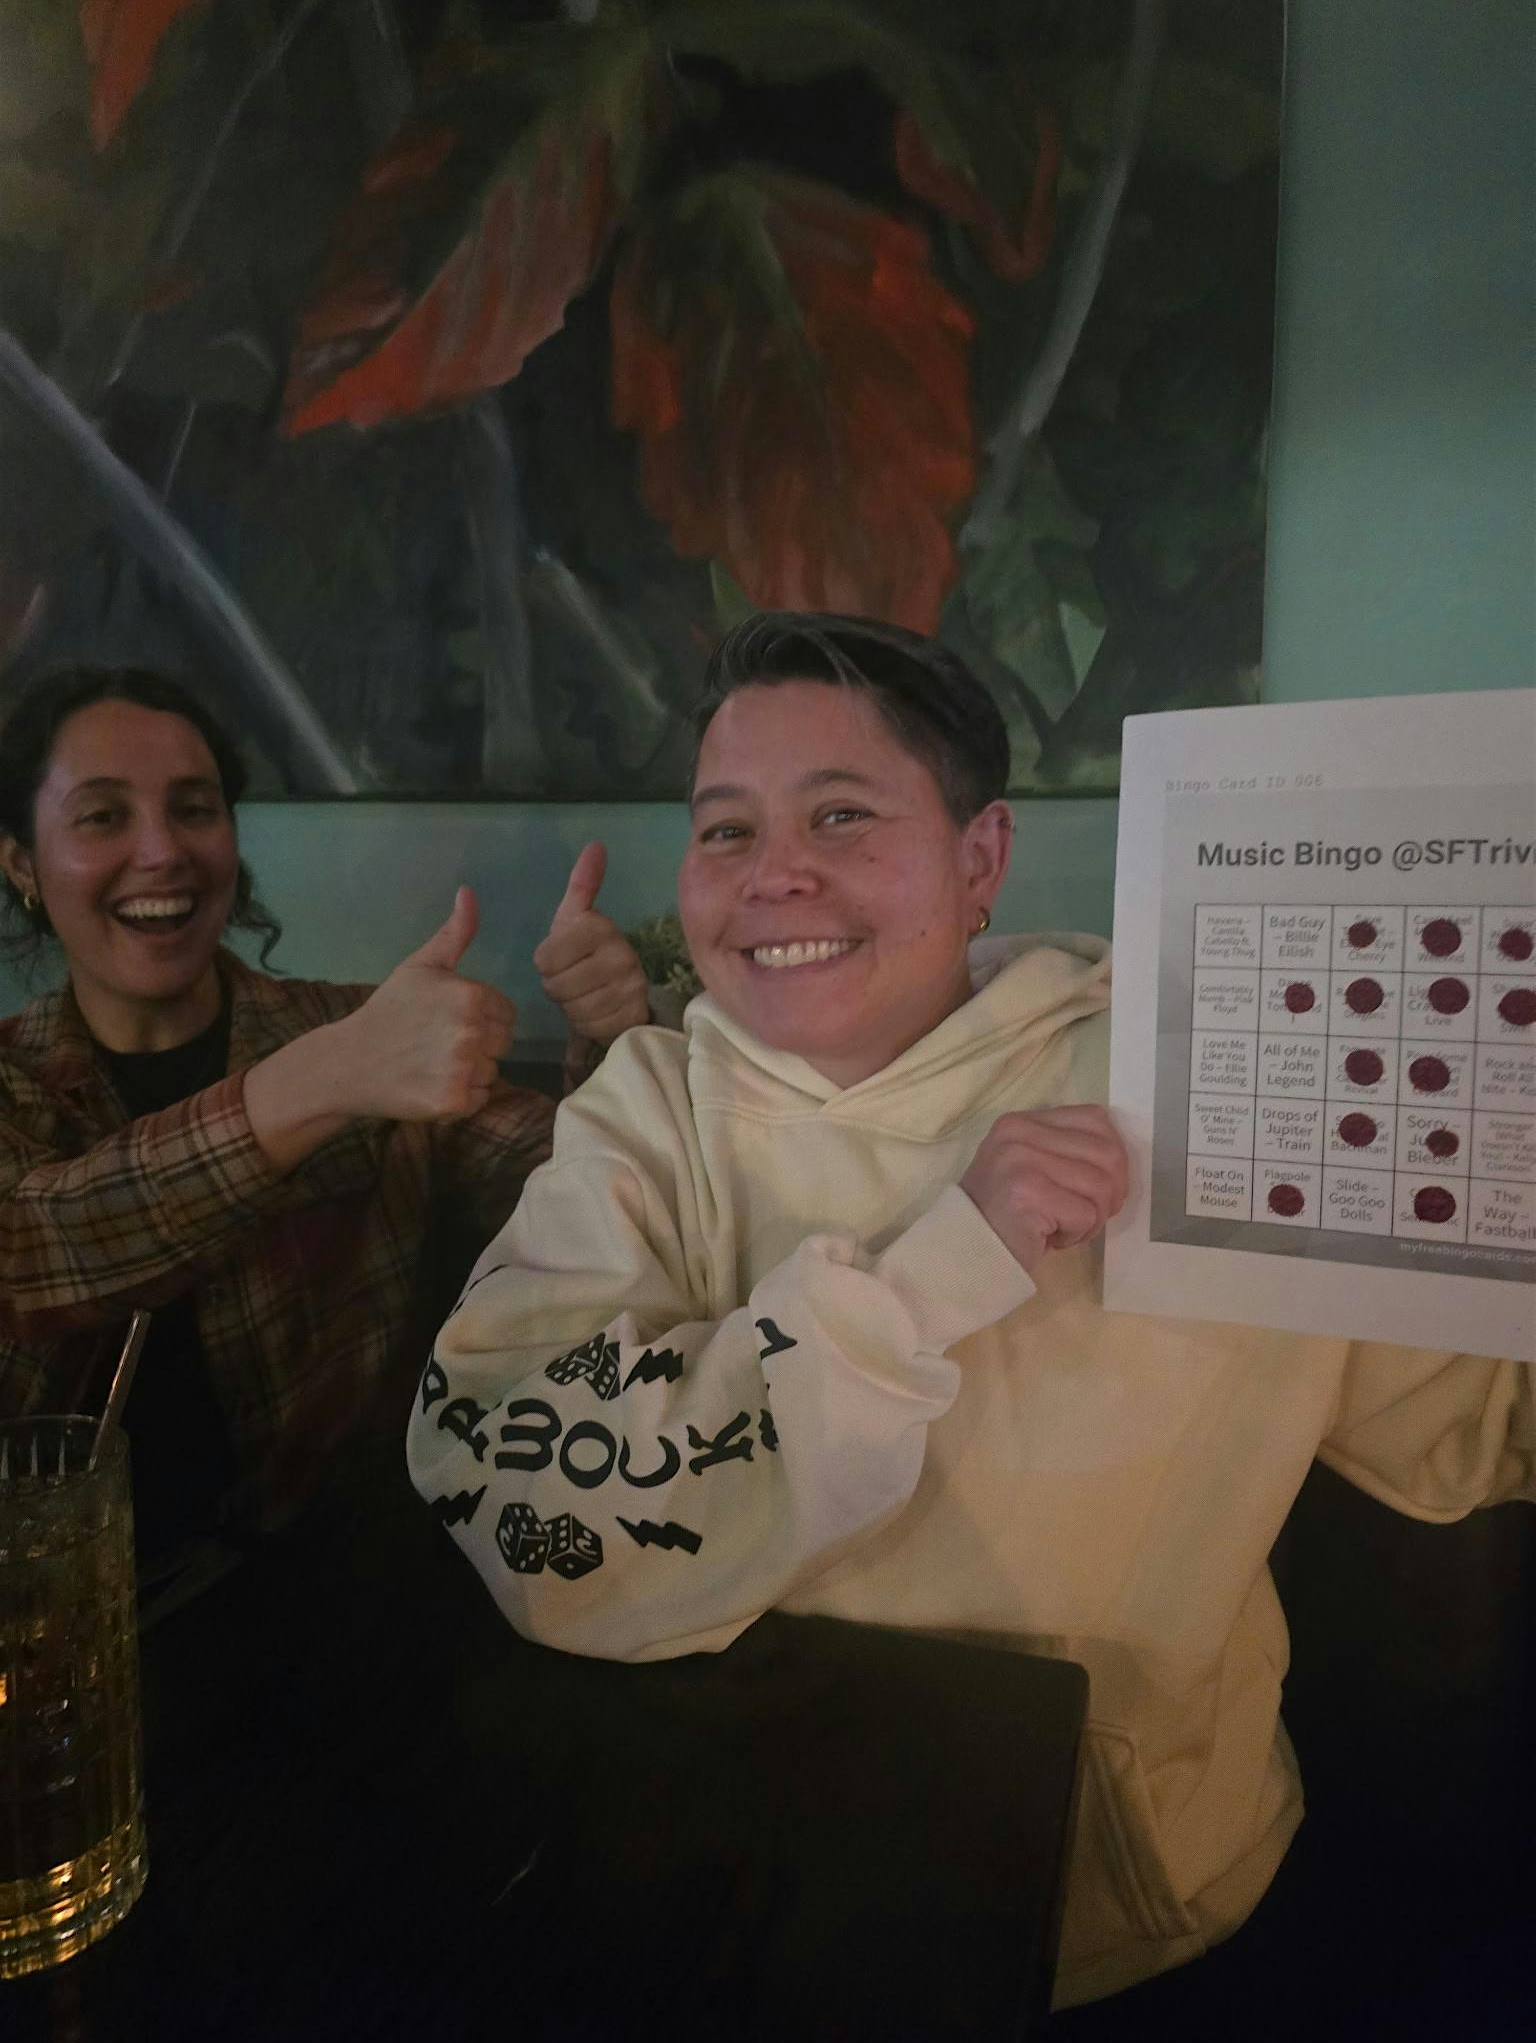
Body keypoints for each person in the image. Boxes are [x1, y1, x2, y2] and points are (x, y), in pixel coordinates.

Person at [407, 611, 1534, 2013]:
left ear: (981, 856)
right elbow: (524, 1498)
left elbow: (1466, 1429)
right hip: (741, 1871)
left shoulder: (1206, 1075)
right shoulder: (645, 1112)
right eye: (726, 830)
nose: (774, 874)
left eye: (841, 814)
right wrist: (941, 1266)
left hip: (1157, 1903)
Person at [0, 664, 646, 1571]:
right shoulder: (18, 1080)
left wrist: (612, 1043)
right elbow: (30, 1252)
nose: (162, 851)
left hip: (343, 1589)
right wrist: (321, 1081)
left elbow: (589, 1195)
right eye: (103, 816)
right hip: (56, 1613)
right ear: (22, 862)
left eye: (194, 809)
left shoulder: (366, 1033)